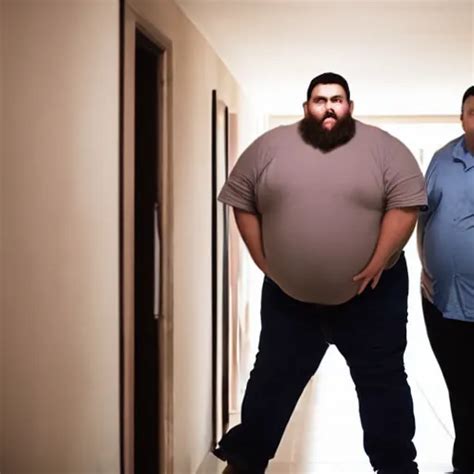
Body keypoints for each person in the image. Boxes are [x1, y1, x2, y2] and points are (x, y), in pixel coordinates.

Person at [214, 72, 427, 474]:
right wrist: (265, 262)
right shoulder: (269, 147)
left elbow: (405, 205)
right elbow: (241, 199)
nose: (329, 106)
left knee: (384, 389)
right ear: (306, 106)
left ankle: (397, 468)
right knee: (270, 384)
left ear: (350, 106)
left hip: (373, 298)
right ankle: (244, 463)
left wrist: (378, 259)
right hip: (288, 301)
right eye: (320, 99)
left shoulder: (385, 149)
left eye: (337, 99)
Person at [417, 86, 474, 474]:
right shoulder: (441, 160)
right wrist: (425, 263)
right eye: (473, 112)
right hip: (444, 301)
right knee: (462, 388)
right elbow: (421, 217)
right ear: (462, 118)